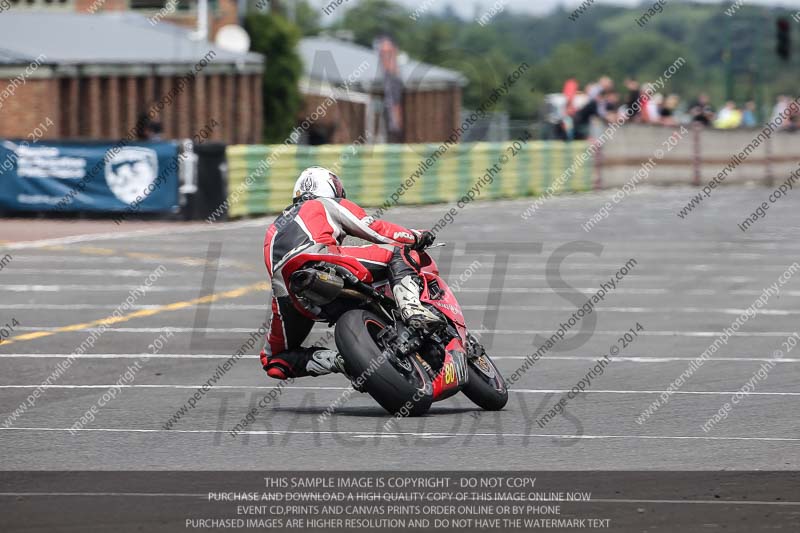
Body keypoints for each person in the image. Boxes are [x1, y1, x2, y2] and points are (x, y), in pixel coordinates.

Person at [260, 166, 441, 380]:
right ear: (331, 188)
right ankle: (412, 309)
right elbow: (375, 230)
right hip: (323, 261)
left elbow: (277, 271)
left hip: (291, 292)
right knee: (397, 251)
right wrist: (416, 236)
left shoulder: (273, 226)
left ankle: (341, 361)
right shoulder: (326, 203)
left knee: (273, 360)